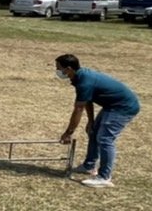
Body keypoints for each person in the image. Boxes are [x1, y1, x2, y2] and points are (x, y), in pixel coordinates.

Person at [54, 53, 140, 188]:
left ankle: (104, 177)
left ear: (68, 69)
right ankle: (89, 166)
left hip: (123, 107)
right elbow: (87, 100)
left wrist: (68, 133)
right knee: (93, 132)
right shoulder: (79, 76)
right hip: (111, 106)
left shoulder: (84, 81)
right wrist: (91, 121)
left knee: (105, 139)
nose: (57, 71)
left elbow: (78, 109)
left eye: (59, 68)